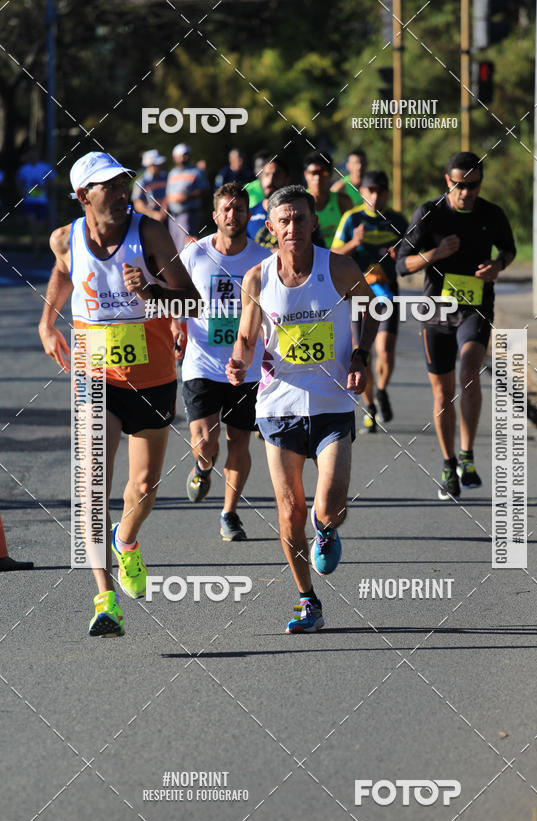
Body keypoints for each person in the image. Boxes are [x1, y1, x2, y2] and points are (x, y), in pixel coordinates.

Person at [39, 151, 199, 636]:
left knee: (143, 487)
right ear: (84, 195)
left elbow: (190, 297)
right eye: (109, 184)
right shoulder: (64, 238)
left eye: (123, 180)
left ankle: (126, 540)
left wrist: (151, 291)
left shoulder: (148, 231)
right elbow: (65, 272)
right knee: (93, 485)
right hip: (94, 372)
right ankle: (104, 599)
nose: (121, 189)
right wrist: (49, 323)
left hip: (152, 375)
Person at [226, 185, 379, 634]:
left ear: (314, 223)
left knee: (329, 503)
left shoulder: (340, 267)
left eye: (300, 219)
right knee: (289, 509)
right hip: (278, 405)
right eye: (284, 221)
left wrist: (359, 356)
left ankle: (326, 527)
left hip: (331, 401)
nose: (293, 227)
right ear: (271, 228)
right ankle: (307, 600)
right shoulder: (257, 278)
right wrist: (238, 360)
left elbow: (372, 310)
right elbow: (246, 336)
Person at [396, 151, 516, 499]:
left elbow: (508, 250)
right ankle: (448, 463)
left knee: (469, 372)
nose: (466, 193)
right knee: (442, 392)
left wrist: (498, 266)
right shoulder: (428, 213)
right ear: (447, 181)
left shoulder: (491, 214)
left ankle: (467, 455)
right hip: (436, 311)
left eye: (473, 186)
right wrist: (436, 254)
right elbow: (402, 265)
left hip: (475, 307)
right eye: (459, 185)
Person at [180, 183, 270, 540]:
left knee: (240, 441)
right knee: (205, 441)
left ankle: (229, 513)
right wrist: (175, 326)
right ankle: (203, 467)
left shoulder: (263, 259)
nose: (234, 216)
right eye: (227, 210)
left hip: (246, 364)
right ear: (215, 216)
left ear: (249, 214)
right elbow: (176, 293)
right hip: (201, 360)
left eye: (240, 209)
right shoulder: (194, 255)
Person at [332, 170, 407, 431]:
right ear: (362, 192)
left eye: (380, 191)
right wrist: (354, 242)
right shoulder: (351, 218)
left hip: (387, 293)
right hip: (358, 294)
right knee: (362, 352)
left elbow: (411, 256)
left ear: (386, 193)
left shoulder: (397, 220)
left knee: (385, 351)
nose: (375, 196)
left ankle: (383, 391)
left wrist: (401, 257)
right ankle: (370, 405)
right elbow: (333, 253)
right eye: (370, 191)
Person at [303, 151, 352, 248]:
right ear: (305, 175)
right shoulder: (298, 203)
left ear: (330, 175)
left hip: (338, 259)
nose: (317, 178)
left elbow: (352, 235)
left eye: (322, 172)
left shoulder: (343, 202)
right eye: (313, 173)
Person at [166, 143, 208, 253]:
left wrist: (187, 196)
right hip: (173, 215)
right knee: (175, 247)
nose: (184, 157)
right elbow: (168, 195)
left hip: (188, 214)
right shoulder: (172, 173)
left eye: (186, 155)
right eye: (181, 155)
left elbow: (204, 190)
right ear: (175, 157)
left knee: (187, 247)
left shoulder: (196, 171)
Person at [17, 147, 56, 256]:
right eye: (31, 153)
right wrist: (23, 194)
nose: (33, 155)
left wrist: (45, 190)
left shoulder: (44, 167)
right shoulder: (24, 169)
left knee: (40, 226)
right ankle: (36, 249)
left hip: (42, 201)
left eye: (36, 153)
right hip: (30, 201)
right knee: (32, 223)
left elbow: (51, 181)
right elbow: (20, 182)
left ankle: (35, 242)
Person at [246, 156, 289, 250]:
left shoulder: (298, 215)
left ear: (286, 180)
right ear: (260, 180)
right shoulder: (248, 216)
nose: (271, 180)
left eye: (276, 175)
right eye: (266, 175)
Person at [132, 149, 168, 223]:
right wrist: (153, 214)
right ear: (149, 165)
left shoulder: (165, 177)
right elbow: (137, 203)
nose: (160, 166)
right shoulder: (141, 182)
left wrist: (164, 211)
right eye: (156, 164)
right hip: (150, 220)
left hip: (168, 217)